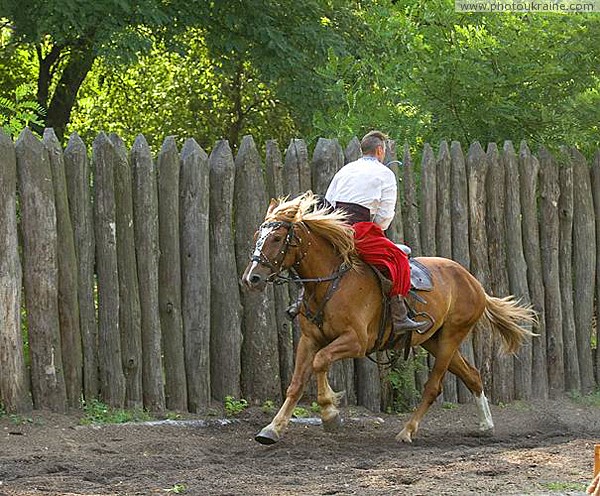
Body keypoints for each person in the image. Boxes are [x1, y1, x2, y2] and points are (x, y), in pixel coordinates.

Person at [325, 130, 429, 335]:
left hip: (333, 229)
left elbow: (328, 202)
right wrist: (375, 230)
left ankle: (301, 300)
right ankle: (399, 316)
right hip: (357, 231)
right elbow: (384, 217)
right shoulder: (385, 174)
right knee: (398, 258)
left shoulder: (345, 169)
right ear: (380, 150)